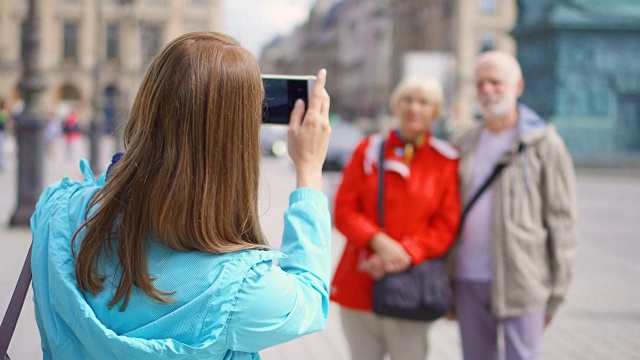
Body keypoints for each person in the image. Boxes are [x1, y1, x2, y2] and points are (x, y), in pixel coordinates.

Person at [30, 31, 332, 359]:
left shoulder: (55, 212)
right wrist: (309, 169)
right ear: (237, 141)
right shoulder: (241, 289)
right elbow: (311, 302)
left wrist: (138, 160)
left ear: (148, 102)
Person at [449, 50, 578, 360]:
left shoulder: (544, 144)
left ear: (517, 86)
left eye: (496, 82)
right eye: (480, 84)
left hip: (523, 279)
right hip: (468, 279)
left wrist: (557, 292)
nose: (487, 90)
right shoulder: (463, 142)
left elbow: (562, 221)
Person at [330, 76, 461, 360]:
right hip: (362, 278)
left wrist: (403, 253)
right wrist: (378, 242)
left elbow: (445, 226)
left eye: (423, 102)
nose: (414, 108)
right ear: (396, 105)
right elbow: (343, 210)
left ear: (435, 112)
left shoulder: (445, 160)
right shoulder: (368, 150)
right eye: (407, 100)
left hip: (411, 288)